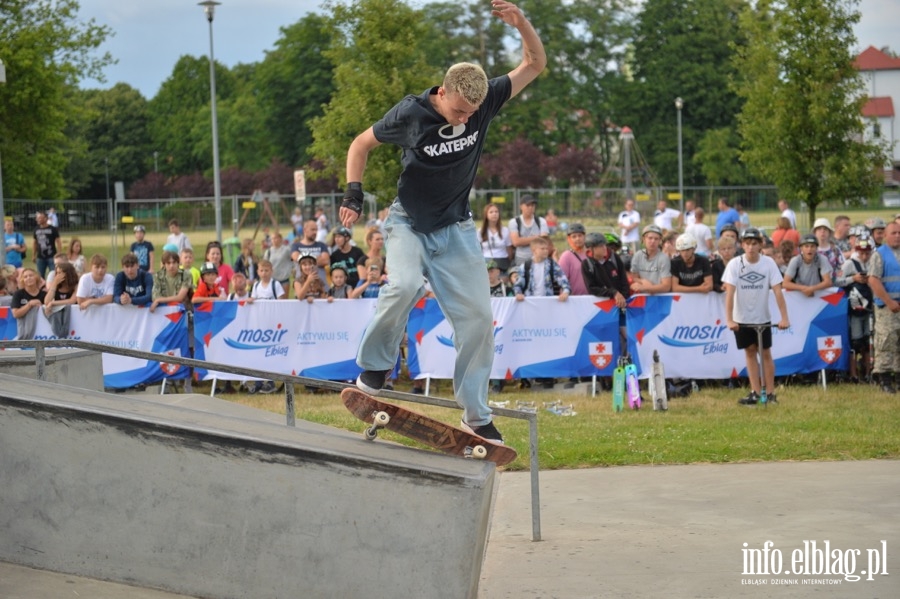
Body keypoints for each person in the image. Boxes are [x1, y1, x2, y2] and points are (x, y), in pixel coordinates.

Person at [338, 0, 545, 443]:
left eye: (473, 112)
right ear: (443, 93)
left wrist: (521, 23)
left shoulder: (484, 99)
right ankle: (375, 367)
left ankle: (474, 413)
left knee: (477, 320)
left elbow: (534, 63)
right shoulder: (410, 114)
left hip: (456, 229)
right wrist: (353, 193)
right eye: (459, 112)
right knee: (404, 285)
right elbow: (359, 145)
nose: (467, 118)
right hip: (408, 223)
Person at [722, 227, 790, 405]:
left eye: (754, 244)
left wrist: (784, 318)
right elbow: (729, 294)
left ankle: (770, 393)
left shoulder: (768, 263)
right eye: (747, 244)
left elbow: (778, 292)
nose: (750, 247)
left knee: (765, 353)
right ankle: (755, 391)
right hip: (741, 318)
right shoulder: (735, 264)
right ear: (742, 245)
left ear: (760, 245)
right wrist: (729, 319)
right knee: (750, 352)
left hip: (762, 317)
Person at [866, 221, 900, 393]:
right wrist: (888, 301)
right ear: (885, 235)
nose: (897, 236)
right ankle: (885, 380)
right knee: (886, 341)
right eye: (893, 233)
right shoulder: (879, 254)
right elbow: (873, 280)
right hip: (887, 308)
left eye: (899, 232)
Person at [581, 232, 629, 351]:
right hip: (602, 308)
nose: (605, 248)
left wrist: (623, 299)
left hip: (621, 305)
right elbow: (592, 288)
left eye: (604, 245)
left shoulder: (614, 258)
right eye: (600, 246)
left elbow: (624, 281)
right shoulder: (586, 264)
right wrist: (613, 293)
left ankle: (629, 362)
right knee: (608, 338)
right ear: (591, 249)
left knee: (627, 335)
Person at [841, 237, 874, 384]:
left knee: (868, 341)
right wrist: (853, 278)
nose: (865, 257)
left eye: (867, 253)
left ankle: (869, 372)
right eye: (862, 253)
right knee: (855, 341)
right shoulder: (849, 264)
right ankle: (853, 374)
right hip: (854, 308)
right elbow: (837, 280)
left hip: (869, 308)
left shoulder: (874, 263)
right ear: (856, 251)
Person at [512, 236, 571, 301]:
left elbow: (562, 279)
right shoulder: (525, 266)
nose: (545, 251)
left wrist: (565, 291)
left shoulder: (552, 264)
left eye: (546, 249)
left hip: (548, 302)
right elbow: (518, 285)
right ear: (534, 251)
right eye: (542, 249)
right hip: (530, 302)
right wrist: (518, 294)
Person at [630, 225, 672, 295]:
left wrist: (645, 288)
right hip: (642, 299)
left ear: (660, 241)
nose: (653, 241)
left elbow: (666, 286)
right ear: (644, 239)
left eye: (656, 239)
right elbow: (633, 278)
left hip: (660, 297)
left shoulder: (664, 258)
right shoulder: (637, 255)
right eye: (650, 238)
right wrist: (642, 280)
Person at [509, 195, 549, 266]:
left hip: (538, 258)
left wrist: (523, 240)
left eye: (533, 205)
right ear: (521, 206)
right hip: (521, 259)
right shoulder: (514, 222)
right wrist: (537, 237)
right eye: (528, 205)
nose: (531, 208)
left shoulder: (541, 221)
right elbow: (516, 242)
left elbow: (544, 240)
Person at [43, 262, 79, 338]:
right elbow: (47, 301)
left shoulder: (76, 285)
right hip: (57, 317)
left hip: (73, 319)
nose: (58, 275)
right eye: (57, 273)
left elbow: (72, 301)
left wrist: (53, 303)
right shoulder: (55, 285)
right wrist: (54, 283)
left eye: (61, 273)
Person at [11, 268, 46, 340]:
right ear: (22, 280)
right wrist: (29, 304)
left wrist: (42, 307)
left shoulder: (44, 294)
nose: (28, 278)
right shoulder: (18, 294)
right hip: (24, 330)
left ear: (36, 277)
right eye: (25, 277)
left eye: (31, 275)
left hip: (42, 332)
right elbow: (15, 314)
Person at [479, 203, 514, 274]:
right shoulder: (480, 231)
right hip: (486, 262)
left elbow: (509, 250)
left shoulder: (505, 230)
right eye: (491, 212)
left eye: (496, 212)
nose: (494, 214)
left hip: (502, 262)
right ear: (486, 215)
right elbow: (478, 250)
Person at [557, 223, 589, 295]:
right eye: (574, 237)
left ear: (584, 237)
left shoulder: (590, 254)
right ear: (569, 239)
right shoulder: (566, 256)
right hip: (573, 299)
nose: (577, 239)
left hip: (591, 299)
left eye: (580, 236)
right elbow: (561, 279)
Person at [811, 217, 845, 282]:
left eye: (825, 229)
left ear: (829, 232)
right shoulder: (809, 250)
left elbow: (843, 266)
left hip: (834, 284)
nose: (822, 231)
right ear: (815, 233)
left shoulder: (835, 249)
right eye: (819, 229)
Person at [33, 210, 62, 280]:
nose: (38, 219)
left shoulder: (53, 229)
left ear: (45, 218)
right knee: (40, 275)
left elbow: (58, 241)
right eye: (37, 218)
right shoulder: (36, 229)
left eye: (40, 218)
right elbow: (35, 242)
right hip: (40, 256)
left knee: (54, 273)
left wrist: (59, 253)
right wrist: (34, 255)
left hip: (52, 256)